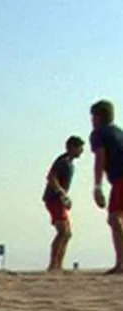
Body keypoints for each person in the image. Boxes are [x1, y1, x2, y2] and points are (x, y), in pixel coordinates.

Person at [90, 99, 123, 273]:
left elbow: (99, 159)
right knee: (116, 218)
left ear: (97, 117)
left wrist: (97, 186)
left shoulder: (98, 133)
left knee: (114, 218)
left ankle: (121, 263)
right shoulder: (118, 132)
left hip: (120, 179)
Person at [43, 136, 85, 272]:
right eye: (79, 148)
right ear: (72, 147)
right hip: (53, 199)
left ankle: (58, 265)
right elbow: (51, 177)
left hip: (59, 200)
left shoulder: (70, 163)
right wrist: (61, 194)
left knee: (67, 233)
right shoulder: (63, 161)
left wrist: (65, 197)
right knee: (63, 231)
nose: (81, 151)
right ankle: (53, 265)